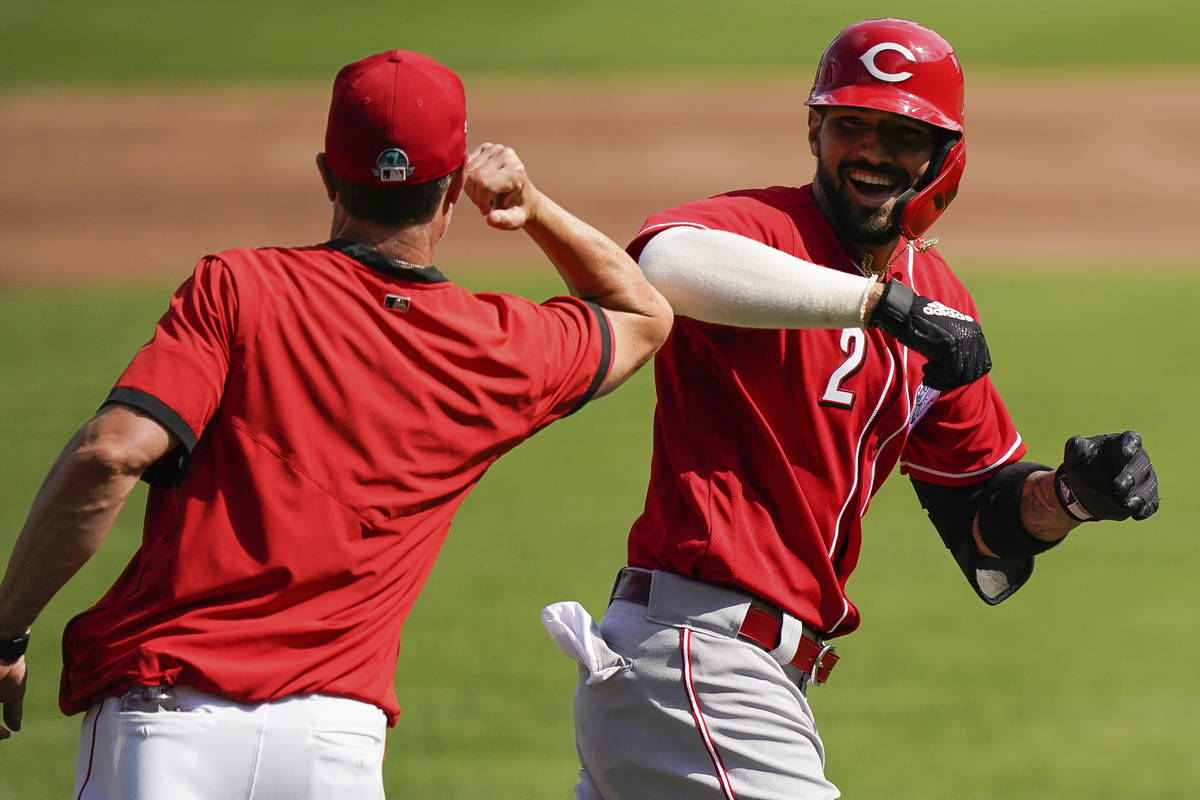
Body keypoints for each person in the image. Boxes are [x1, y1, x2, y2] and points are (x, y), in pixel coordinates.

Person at [0, 49, 672, 798]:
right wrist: (534, 205)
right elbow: (642, 314)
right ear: (454, 187)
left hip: (166, 723)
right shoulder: (498, 348)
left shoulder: (239, 291)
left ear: (327, 174)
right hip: (333, 748)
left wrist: (6, 631)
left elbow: (110, 455)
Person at [541, 18, 1160, 800]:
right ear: (814, 129)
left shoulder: (938, 304)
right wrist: (876, 304)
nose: (871, 150)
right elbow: (666, 263)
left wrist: (1071, 497)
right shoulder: (766, 234)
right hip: (702, 657)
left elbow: (985, 518)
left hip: (738, 679)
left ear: (944, 155)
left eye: (901, 132)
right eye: (850, 125)